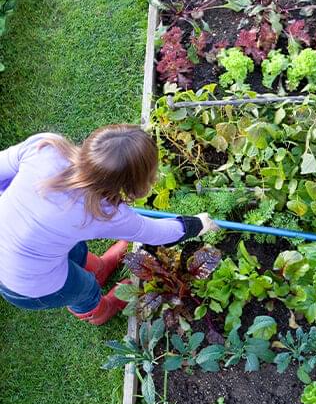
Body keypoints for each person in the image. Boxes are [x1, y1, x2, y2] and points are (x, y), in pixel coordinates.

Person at [0, 124, 218, 325]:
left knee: (73, 248)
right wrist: (197, 224)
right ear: (134, 184)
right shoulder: (103, 213)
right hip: (28, 285)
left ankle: (101, 268)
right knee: (84, 287)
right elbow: (156, 233)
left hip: (15, 247)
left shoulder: (45, 148)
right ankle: (102, 310)